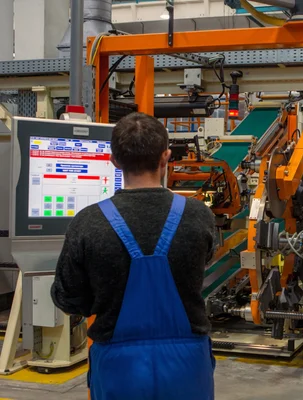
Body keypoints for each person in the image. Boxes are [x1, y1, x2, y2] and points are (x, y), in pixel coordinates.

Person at [52, 112, 217, 400]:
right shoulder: (199, 216)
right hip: (187, 367)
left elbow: (68, 299)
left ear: (114, 160)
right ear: (166, 157)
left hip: (118, 369)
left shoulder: (87, 222)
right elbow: (204, 265)